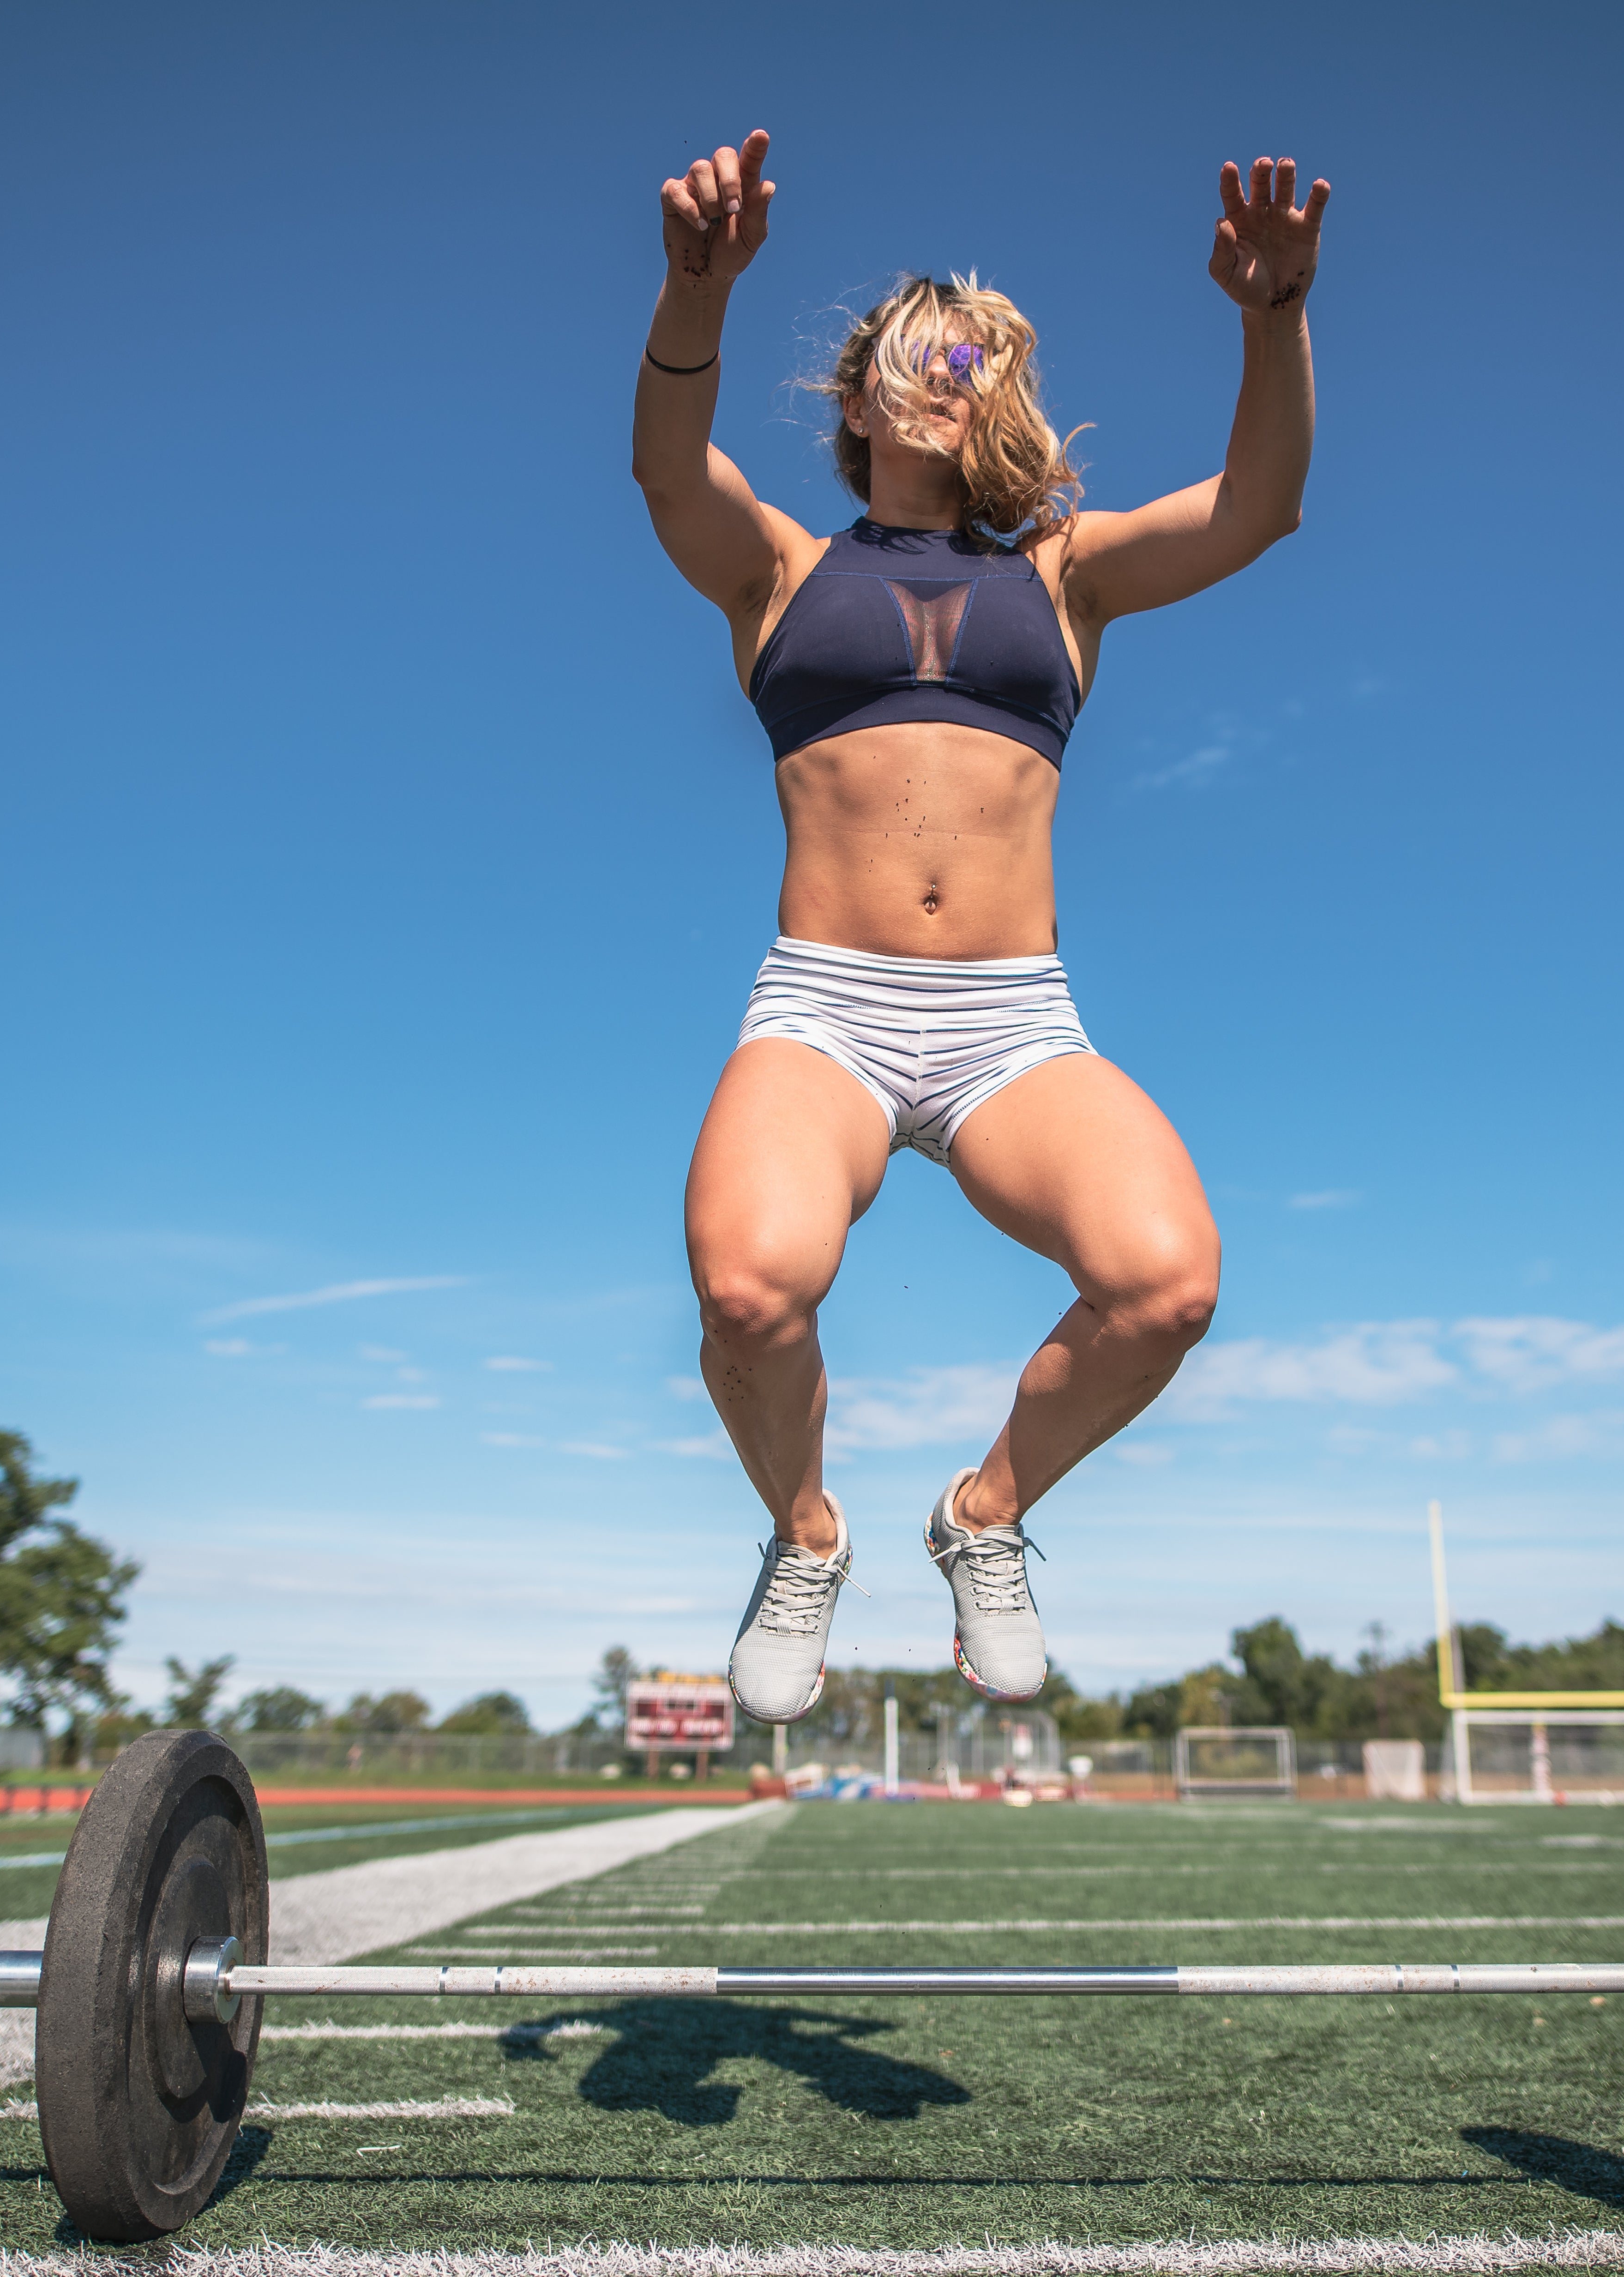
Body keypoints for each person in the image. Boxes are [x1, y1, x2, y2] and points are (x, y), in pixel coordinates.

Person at [632, 131, 1328, 1722]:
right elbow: (669, 472)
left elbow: (1260, 507)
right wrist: (694, 295)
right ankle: (805, 1535)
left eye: (972, 358)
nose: (944, 375)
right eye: (916, 351)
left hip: (1011, 1019)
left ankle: (985, 1514)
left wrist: (1273, 316)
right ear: (858, 394)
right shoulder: (778, 571)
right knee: (748, 1289)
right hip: (828, 1006)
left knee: (1166, 1282)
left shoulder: (1065, 578)